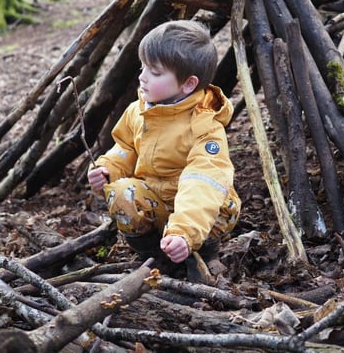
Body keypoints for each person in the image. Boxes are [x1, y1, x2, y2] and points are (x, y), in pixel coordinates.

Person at [88, 20, 240, 277]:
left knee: (216, 204)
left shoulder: (204, 128)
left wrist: (185, 231)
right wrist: (108, 168)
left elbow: (202, 182)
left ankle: (205, 253)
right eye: (142, 67)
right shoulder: (139, 111)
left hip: (201, 213)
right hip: (156, 204)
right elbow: (125, 146)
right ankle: (155, 257)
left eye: (155, 73)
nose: (142, 77)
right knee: (122, 192)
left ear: (188, 84)